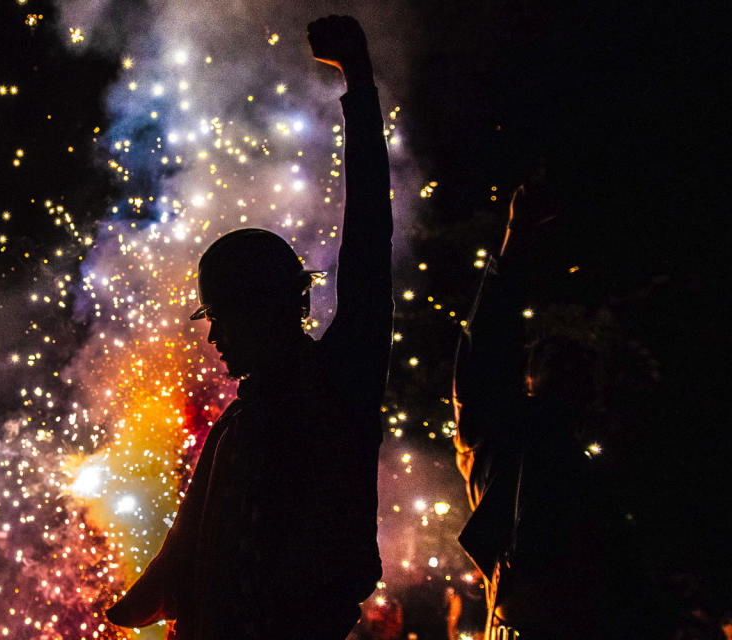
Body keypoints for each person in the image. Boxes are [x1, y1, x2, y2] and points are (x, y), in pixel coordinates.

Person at [106, 14, 393, 640]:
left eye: (223, 318)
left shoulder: (340, 379)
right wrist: (152, 592)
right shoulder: (237, 422)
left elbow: (370, 236)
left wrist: (360, 85)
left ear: (270, 306)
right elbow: (189, 539)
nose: (214, 339)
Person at [452, 182, 631, 639]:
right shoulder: (505, 436)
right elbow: (489, 346)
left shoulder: (587, 472)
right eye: (556, 361)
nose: (569, 373)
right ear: (528, 381)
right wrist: (515, 242)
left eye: (577, 369)